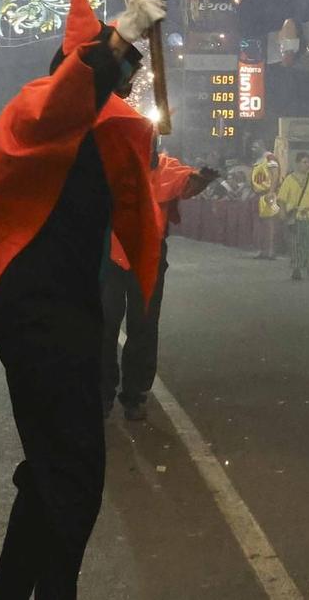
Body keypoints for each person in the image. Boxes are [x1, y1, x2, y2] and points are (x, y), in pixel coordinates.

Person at [0, 0, 166, 600]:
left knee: (51, 473)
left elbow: (141, 167)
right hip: (40, 317)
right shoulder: (35, 111)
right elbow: (68, 97)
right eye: (113, 77)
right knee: (76, 476)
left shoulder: (90, 131)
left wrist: (126, 53)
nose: (121, 89)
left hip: (66, 317)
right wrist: (122, 35)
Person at [102, 152, 216, 421]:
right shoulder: (110, 165)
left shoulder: (165, 166)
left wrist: (202, 180)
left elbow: (186, 183)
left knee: (143, 325)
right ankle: (102, 393)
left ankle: (135, 395)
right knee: (105, 325)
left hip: (149, 257)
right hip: (112, 255)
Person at [278, 149, 309, 281]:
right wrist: (282, 212)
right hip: (296, 216)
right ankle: (297, 268)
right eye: (304, 162)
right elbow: (281, 198)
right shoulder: (289, 179)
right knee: (297, 244)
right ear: (297, 163)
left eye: (308, 162)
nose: (307, 165)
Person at [250, 149, 282, 260]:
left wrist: (272, 192)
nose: (253, 148)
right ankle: (262, 250)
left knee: (270, 223)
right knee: (260, 225)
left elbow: (275, 174)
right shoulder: (257, 160)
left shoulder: (270, 157)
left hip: (268, 195)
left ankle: (271, 251)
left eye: (255, 146)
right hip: (258, 195)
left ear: (261, 144)